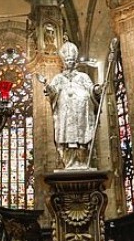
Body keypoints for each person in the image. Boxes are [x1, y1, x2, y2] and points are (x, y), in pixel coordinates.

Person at [39, 37, 102, 169]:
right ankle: (69, 162)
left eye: (71, 61)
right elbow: (52, 92)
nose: (69, 63)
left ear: (75, 62)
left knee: (82, 138)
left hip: (81, 115)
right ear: (64, 62)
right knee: (66, 138)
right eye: (67, 61)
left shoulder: (83, 77)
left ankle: (83, 161)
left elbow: (91, 88)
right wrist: (47, 85)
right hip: (65, 115)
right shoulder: (58, 78)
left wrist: (96, 89)